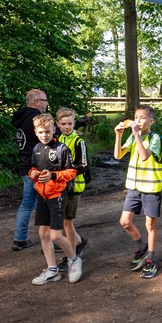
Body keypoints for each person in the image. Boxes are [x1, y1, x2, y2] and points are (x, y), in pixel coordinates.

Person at [28, 114, 82, 285]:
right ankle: (52, 270)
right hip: (42, 196)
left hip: (57, 195)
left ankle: (73, 259)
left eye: (48, 132)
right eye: (41, 132)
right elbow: (32, 168)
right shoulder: (36, 148)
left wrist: (52, 175)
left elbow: (71, 172)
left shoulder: (61, 149)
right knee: (42, 233)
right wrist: (33, 174)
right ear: (36, 132)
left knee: (56, 235)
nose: (45, 135)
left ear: (54, 130)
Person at [114, 105, 162, 279]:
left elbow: (144, 156)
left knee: (150, 225)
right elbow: (118, 155)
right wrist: (119, 136)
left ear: (151, 121)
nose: (138, 121)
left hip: (150, 188)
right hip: (134, 188)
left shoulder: (154, 138)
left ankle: (150, 260)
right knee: (125, 222)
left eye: (143, 118)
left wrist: (136, 134)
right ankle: (141, 248)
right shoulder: (133, 137)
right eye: (136, 117)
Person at [11, 89, 48, 251]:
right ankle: (51, 242)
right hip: (38, 167)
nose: (47, 104)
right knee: (47, 204)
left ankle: (20, 239)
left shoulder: (22, 119)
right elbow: (52, 136)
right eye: (45, 100)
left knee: (27, 204)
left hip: (25, 167)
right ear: (37, 101)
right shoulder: (36, 119)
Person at [55, 108, 90, 272]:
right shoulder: (58, 139)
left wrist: (66, 171)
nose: (67, 127)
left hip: (74, 186)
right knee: (64, 221)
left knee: (66, 221)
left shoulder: (78, 142)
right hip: (60, 185)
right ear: (58, 124)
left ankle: (72, 256)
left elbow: (83, 165)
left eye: (70, 123)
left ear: (75, 124)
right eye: (63, 124)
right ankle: (78, 241)